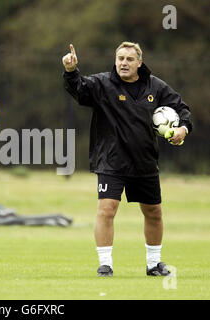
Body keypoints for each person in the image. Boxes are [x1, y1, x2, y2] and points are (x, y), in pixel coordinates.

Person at [62, 42, 192, 277]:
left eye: (129, 59)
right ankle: (105, 264)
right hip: (111, 160)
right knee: (107, 209)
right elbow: (79, 90)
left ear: (139, 63)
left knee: (153, 211)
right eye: (120, 58)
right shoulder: (103, 84)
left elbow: (182, 108)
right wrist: (71, 71)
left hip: (144, 160)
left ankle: (154, 264)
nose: (123, 63)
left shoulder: (156, 87)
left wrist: (183, 128)